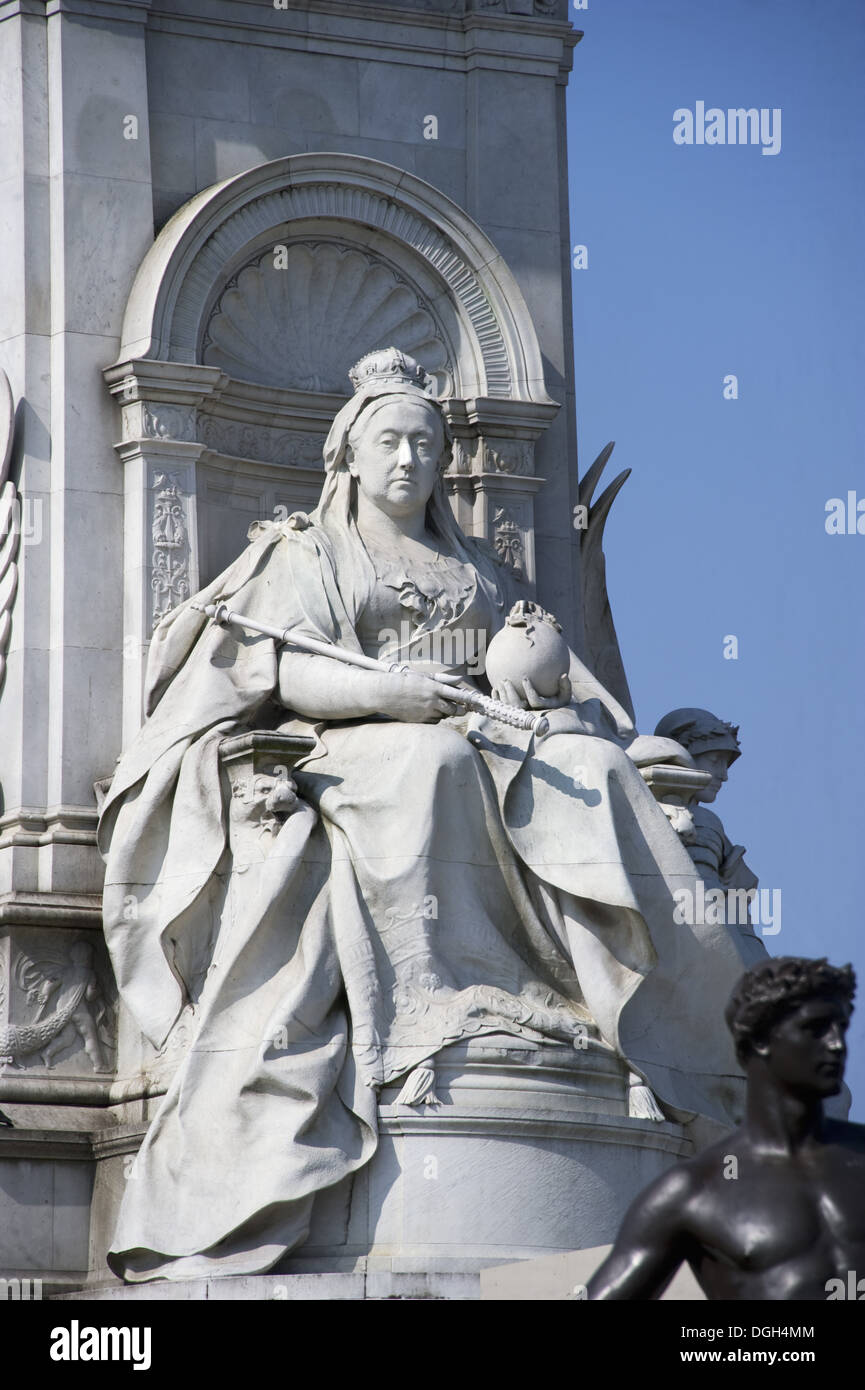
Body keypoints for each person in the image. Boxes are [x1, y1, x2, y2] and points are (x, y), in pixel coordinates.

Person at [98, 348, 757, 1281]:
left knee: (594, 770)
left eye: (423, 443)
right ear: (351, 457)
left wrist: (550, 693)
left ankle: (652, 1022)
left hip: (481, 731)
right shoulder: (309, 552)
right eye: (389, 442)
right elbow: (280, 669)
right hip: (354, 742)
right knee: (436, 761)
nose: (408, 459)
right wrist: (392, 699)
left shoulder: (475, 567)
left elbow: (532, 675)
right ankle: (443, 1000)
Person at [587, 956, 865, 1301]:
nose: (837, 1044)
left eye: (841, 1027)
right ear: (762, 1038)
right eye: (816, 1028)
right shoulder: (694, 1191)